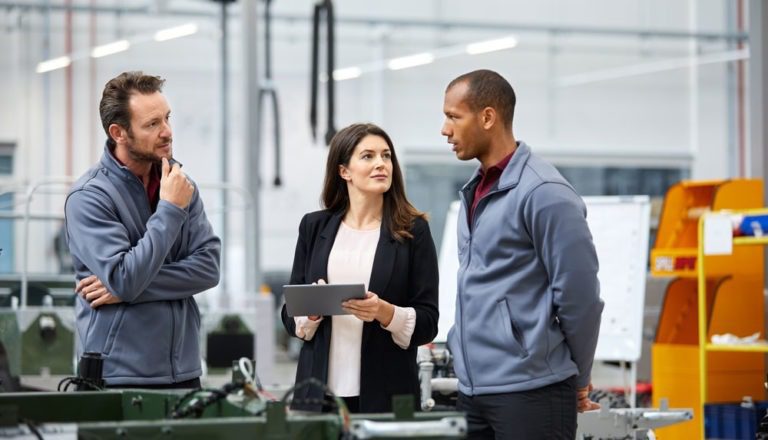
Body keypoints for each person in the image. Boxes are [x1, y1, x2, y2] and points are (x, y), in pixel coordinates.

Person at [441, 69, 604, 439]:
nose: (445, 130)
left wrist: (579, 375)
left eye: (453, 116)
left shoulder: (544, 193)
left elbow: (579, 297)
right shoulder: (476, 189)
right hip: (474, 389)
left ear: (487, 117)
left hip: (532, 390)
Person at [64, 71, 221, 389]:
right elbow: (125, 277)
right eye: (152, 124)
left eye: (167, 118)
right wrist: (170, 210)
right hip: (117, 376)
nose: (167, 132)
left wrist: (123, 290)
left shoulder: (178, 183)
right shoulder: (89, 197)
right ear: (119, 132)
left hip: (184, 372)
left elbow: (208, 269)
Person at [281, 123, 439, 413]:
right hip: (318, 397)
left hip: (387, 395)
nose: (381, 164)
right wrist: (312, 311)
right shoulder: (314, 227)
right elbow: (290, 316)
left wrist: (385, 312)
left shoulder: (413, 231)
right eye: (368, 156)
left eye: (386, 156)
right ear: (344, 171)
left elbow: (429, 322)